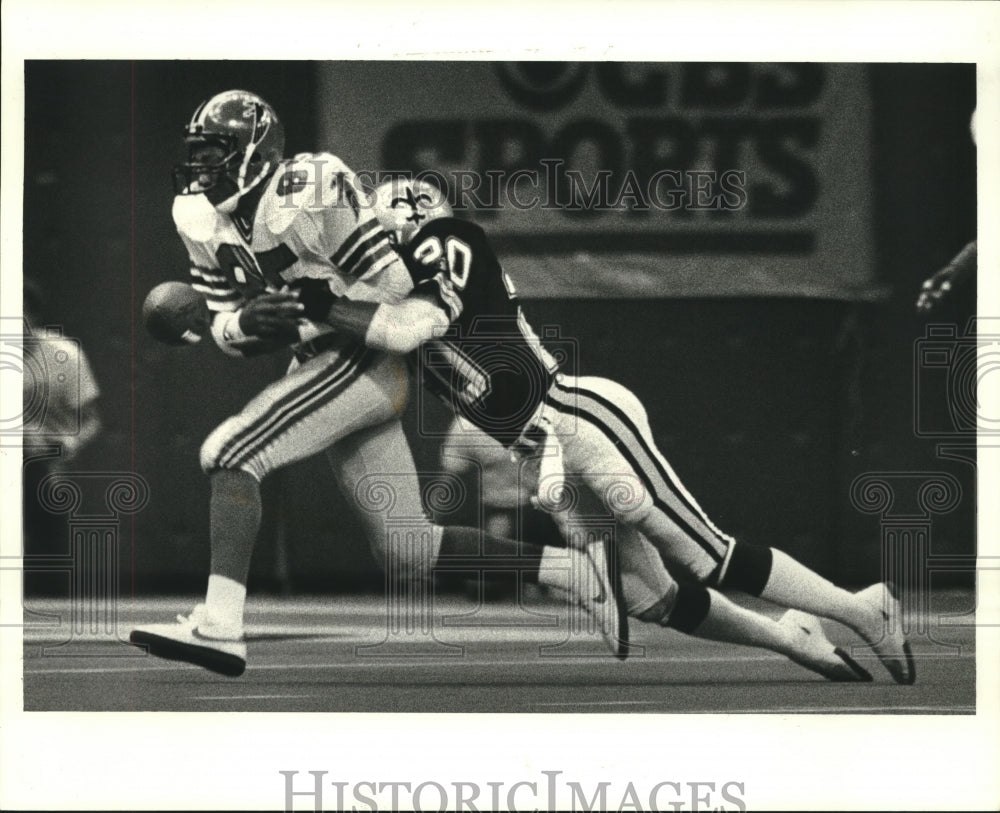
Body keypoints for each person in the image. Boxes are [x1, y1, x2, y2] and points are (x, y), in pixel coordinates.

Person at [299, 177, 916, 684]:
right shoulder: (395, 297)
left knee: (703, 553)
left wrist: (322, 300)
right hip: (539, 442)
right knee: (654, 600)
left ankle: (860, 608)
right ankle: (791, 639)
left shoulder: (442, 239)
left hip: (576, 418)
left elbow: (447, 332)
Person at [129, 91, 623, 676]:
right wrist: (248, 323)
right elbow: (226, 326)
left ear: (255, 152)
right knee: (408, 548)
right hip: (319, 361)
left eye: (213, 152)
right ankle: (573, 571)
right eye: (197, 154)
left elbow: (393, 291)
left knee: (232, 452)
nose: (201, 167)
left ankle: (220, 625)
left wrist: (307, 310)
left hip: (362, 356)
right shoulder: (196, 215)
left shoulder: (309, 188)